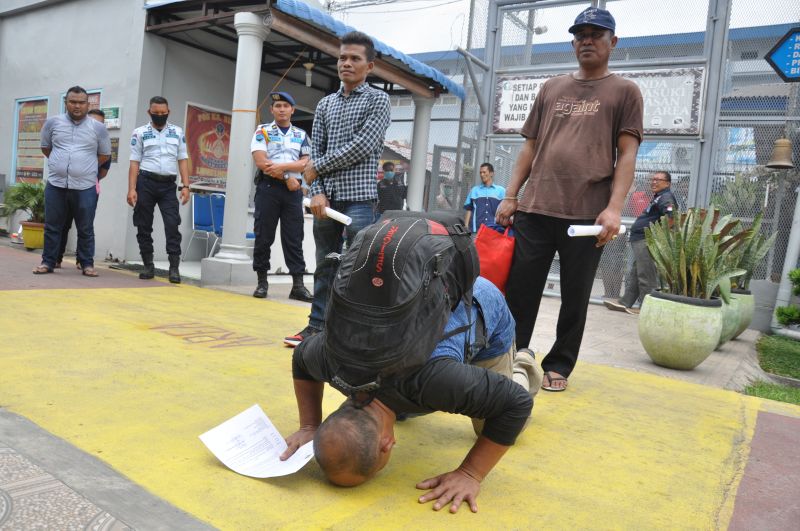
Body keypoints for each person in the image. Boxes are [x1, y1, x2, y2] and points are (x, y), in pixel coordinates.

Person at [281, 277, 542, 513]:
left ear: (387, 444)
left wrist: (470, 474)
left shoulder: (433, 382)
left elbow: (514, 405)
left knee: (500, 426)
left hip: (477, 302)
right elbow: (302, 356)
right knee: (406, 405)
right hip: (424, 303)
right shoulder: (335, 364)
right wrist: (309, 425)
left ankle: (522, 365)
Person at [495, 6, 643, 392]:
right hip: (536, 207)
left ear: (613, 42)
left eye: (596, 34)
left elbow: (627, 154)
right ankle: (511, 355)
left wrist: (613, 209)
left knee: (575, 295)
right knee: (520, 291)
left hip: (586, 216)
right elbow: (530, 147)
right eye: (580, 35)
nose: (587, 40)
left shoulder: (625, 91)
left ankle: (559, 364)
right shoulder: (551, 87)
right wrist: (511, 195)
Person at [284, 31, 391, 347]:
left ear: (369, 66)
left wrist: (317, 168)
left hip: (360, 200)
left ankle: (353, 334)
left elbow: (364, 145)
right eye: (343, 57)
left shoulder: (378, 100)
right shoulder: (325, 104)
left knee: (358, 269)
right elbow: (314, 150)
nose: (347, 63)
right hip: (325, 200)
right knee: (325, 265)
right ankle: (317, 327)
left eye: (355, 58)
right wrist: (316, 189)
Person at [35, 86, 111, 277]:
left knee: (85, 227)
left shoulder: (98, 128)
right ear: (66, 103)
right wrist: (59, 163)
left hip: (85, 186)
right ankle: (48, 262)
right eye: (73, 102)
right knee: (53, 226)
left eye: (81, 102)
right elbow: (46, 148)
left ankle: (87, 264)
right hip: (56, 184)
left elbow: (104, 155)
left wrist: (85, 167)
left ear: (87, 104)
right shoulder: (52, 123)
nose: (77, 106)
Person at [250, 91, 313, 302]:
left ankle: (298, 285)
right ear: (272, 110)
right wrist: (287, 175)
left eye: (286, 106)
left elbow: (305, 163)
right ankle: (262, 282)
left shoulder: (301, 134)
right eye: (278, 106)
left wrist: (284, 168)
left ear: (292, 110)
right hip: (269, 188)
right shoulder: (263, 131)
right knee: (263, 236)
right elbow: (262, 162)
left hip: (293, 192)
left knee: (294, 238)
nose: (282, 109)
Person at [127, 96, 190, 284]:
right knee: (143, 224)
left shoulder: (177, 132)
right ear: (149, 112)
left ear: (168, 112)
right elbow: (134, 162)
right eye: (156, 113)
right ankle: (148, 265)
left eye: (164, 113)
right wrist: (131, 189)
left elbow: (183, 159)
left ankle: (174, 268)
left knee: (172, 225)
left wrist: (186, 186)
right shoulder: (139, 133)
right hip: (145, 182)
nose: (160, 116)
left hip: (168, 186)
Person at [605, 171, 678, 314]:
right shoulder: (659, 197)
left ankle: (646, 307)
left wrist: (657, 237)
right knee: (636, 273)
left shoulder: (666, 197)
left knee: (646, 274)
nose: (654, 182)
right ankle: (625, 302)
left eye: (659, 180)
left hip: (647, 239)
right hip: (640, 239)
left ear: (668, 184)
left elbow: (671, 218)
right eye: (653, 179)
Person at [56, 108, 111, 270]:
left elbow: (104, 171)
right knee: (62, 224)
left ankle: (83, 260)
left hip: (88, 189)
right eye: (93, 121)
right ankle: (56, 258)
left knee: (85, 225)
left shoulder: (103, 145)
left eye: (100, 123)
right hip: (64, 188)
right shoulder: (72, 141)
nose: (96, 126)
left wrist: (88, 179)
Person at [464, 163, 505, 233]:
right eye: (480, 173)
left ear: (491, 173)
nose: (482, 175)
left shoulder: (501, 191)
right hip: (476, 231)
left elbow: (504, 211)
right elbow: (469, 209)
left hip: (494, 231)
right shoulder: (474, 190)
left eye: (484, 172)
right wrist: (466, 226)